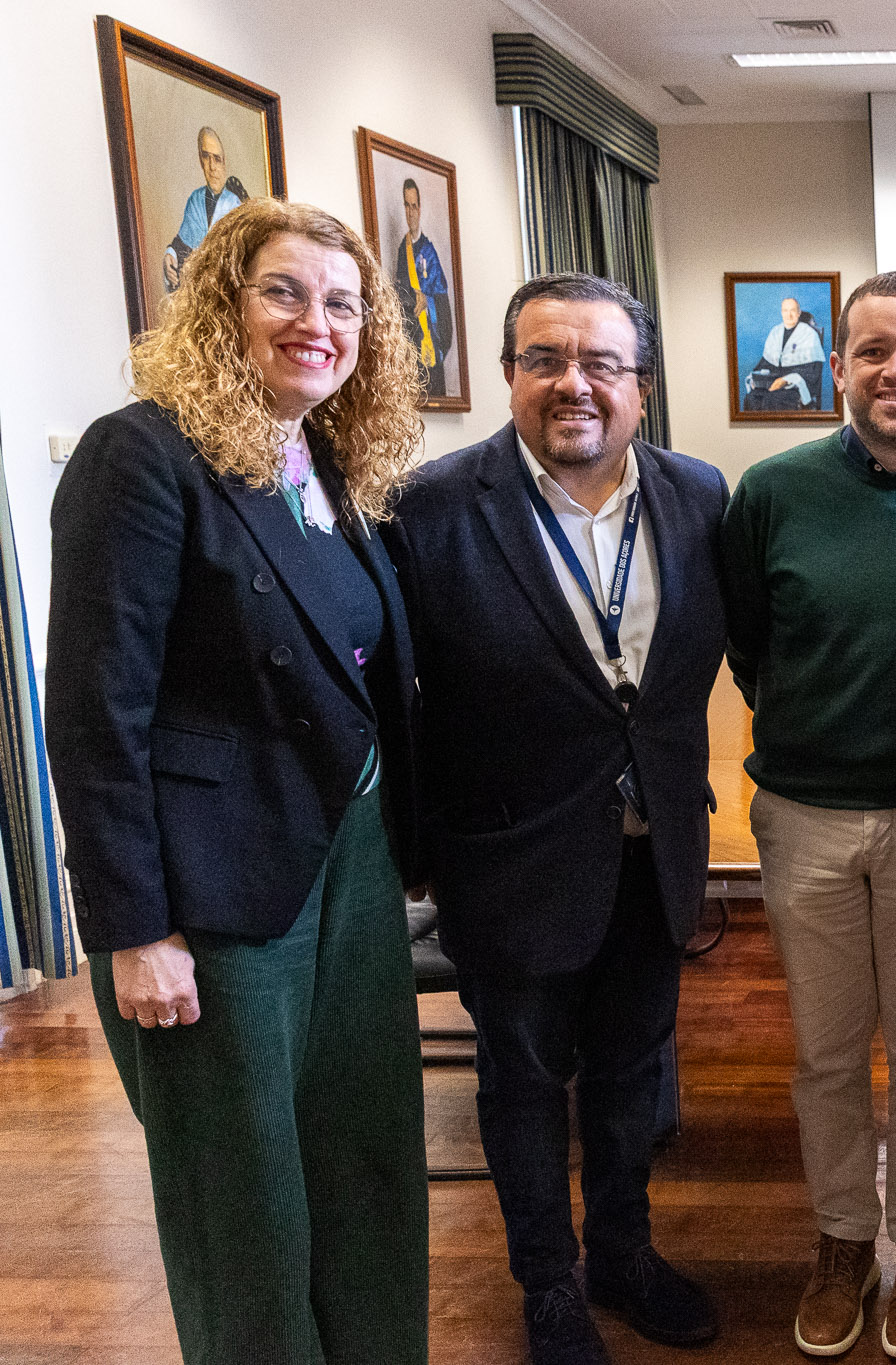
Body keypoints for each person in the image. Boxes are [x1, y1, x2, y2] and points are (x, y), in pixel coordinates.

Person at [46, 197, 427, 1363]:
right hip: (213, 899)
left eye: (343, 304)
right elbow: (95, 713)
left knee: (364, 1164)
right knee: (244, 1203)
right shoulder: (145, 454)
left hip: (348, 865)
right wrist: (135, 928)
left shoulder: (322, 460)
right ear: (223, 304)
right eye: (285, 292)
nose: (318, 322)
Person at [383, 272, 727, 1365]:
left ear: (641, 385)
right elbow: (400, 698)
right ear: (508, 374)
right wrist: (420, 852)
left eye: (601, 364)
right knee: (522, 1081)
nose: (573, 384)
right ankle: (548, 1284)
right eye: (546, 360)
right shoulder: (429, 509)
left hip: (653, 851)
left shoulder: (697, 495)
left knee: (634, 1074)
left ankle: (623, 1254)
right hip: (508, 856)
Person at [720, 270, 896, 1358]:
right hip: (806, 815)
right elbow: (752, 647)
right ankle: (842, 1238)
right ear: (835, 367)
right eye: (871, 350)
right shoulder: (772, 492)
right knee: (829, 1053)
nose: (895, 370)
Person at [162, 127, 246, 291]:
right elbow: (183, 243)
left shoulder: (237, 204)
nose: (212, 167)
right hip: (197, 289)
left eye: (217, 159)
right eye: (206, 157)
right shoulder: (195, 199)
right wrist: (170, 255)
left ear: (225, 162)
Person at [392, 178, 454, 397]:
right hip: (413, 339)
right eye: (407, 206)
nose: (411, 212)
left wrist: (427, 301)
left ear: (420, 209)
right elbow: (399, 293)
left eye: (414, 206)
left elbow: (442, 300)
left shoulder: (428, 250)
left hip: (431, 337)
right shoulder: (403, 250)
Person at [745, 294, 827, 411]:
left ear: (798, 313)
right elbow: (765, 362)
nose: (789, 315)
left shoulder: (809, 334)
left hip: (795, 386)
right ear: (781, 312)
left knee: (773, 399)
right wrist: (755, 378)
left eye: (793, 310)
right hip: (772, 383)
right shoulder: (775, 332)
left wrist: (785, 380)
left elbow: (813, 371)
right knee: (752, 397)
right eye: (785, 310)